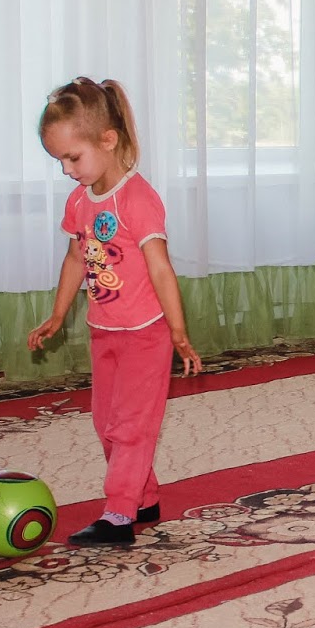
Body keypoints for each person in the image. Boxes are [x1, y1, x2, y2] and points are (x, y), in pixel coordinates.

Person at [28, 77, 201, 546]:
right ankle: (143, 497)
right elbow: (75, 260)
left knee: (130, 426)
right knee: (105, 423)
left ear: (108, 140)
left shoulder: (138, 200)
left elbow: (161, 268)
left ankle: (119, 515)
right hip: (104, 330)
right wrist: (58, 315)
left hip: (146, 333)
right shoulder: (80, 201)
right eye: (60, 161)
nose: (67, 170)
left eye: (73, 158)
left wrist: (178, 332)